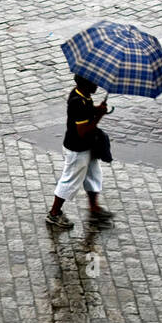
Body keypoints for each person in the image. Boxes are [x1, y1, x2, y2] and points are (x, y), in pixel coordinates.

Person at [46, 75, 115, 230]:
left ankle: (94, 209)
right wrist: (99, 116)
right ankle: (54, 213)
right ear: (86, 84)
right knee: (70, 180)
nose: (97, 85)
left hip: (86, 147)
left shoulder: (83, 95)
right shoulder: (78, 103)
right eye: (94, 82)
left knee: (94, 176)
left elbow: (87, 111)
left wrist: (96, 109)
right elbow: (83, 130)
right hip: (77, 149)